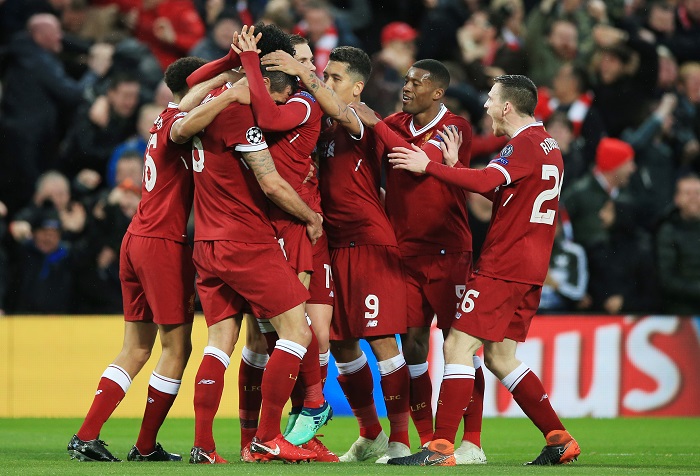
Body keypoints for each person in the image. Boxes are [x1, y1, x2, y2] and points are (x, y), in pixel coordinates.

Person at [385, 75, 580, 466]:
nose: (486, 106)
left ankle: (440, 448)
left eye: (491, 100)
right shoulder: (547, 145)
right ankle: (559, 438)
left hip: (504, 264)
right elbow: (500, 189)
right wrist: (457, 164)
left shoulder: (522, 144)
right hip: (530, 265)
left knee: (457, 346)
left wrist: (429, 166)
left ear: (507, 107)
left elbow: (490, 178)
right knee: (500, 357)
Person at [67, 56, 238, 462]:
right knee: (177, 348)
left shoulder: (164, 117)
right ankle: (144, 446)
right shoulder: (183, 125)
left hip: (136, 238)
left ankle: (87, 435)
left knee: (136, 348)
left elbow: (186, 101)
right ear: (199, 85)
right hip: (163, 243)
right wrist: (232, 79)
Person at [263, 44, 410, 464]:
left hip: (368, 241)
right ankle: (370, 435)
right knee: (343, 345)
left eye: (335, 78)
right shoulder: (321, 125)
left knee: (382, 340)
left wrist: (300, 72)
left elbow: (339, 110)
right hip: (332, 244)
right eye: (324, 76)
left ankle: (400, 441)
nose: (326, 84)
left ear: (358, 88)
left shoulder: (358, 120)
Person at [185, 29, 324, 465]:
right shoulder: (241, 114)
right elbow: (270, 182)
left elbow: (182, 108)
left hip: (205, 241)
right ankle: (267, 437)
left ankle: (204, 446)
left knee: (219, 343)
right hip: (244, 239)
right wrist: (309, 215)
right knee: (296, 331)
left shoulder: (208, 107)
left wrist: (236, 58)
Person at [352, 60, 485, 464]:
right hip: (404, 254)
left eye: (416, 82)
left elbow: (419, 161)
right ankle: (427, 440)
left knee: (458, 346)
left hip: (449, 253)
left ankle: (473, 442)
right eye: (406, 81)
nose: (406, 88)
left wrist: (375, 125)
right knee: (410, 344)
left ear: (438, 92)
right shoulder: (392, 122)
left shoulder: (455, 126)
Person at [656, 173, 700, 314]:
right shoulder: (668, 231)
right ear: (677, 199)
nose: (693, 198)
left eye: (698, 193)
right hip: (681, 311)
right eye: (687, 193)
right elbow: (667, 279)